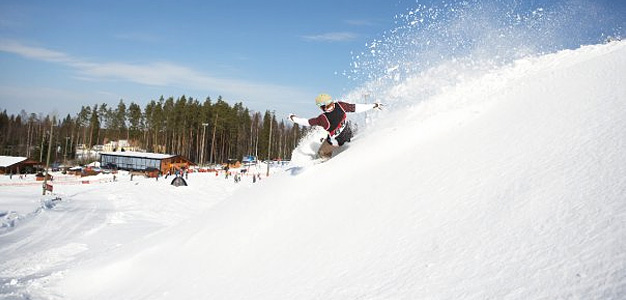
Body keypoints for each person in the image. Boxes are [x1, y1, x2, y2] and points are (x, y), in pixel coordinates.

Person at [289, 93, 382, 161]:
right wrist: (373, 105)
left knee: (321, 153)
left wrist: (293, 118)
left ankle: (325, 166)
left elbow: (307, 122)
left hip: (336, 143)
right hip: (348, 134)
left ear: (321, 107)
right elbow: (357, 107)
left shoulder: (323, 118)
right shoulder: (340, 105)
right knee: (337, 133)